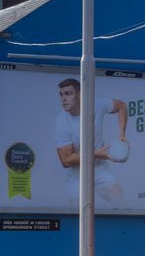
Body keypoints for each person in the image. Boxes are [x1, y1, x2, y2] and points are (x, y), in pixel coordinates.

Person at [53, 77, 129, 206]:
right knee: (79, 218)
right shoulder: (62, 123)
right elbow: (66, 161)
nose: (63, 99)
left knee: (121, 205)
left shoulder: (97, 104)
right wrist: (95, 154)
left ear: (80, 94)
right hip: (77, 177)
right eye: (61, 94)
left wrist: (122, 134)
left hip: (100, 170)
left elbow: (121, 106)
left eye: (68, 94)